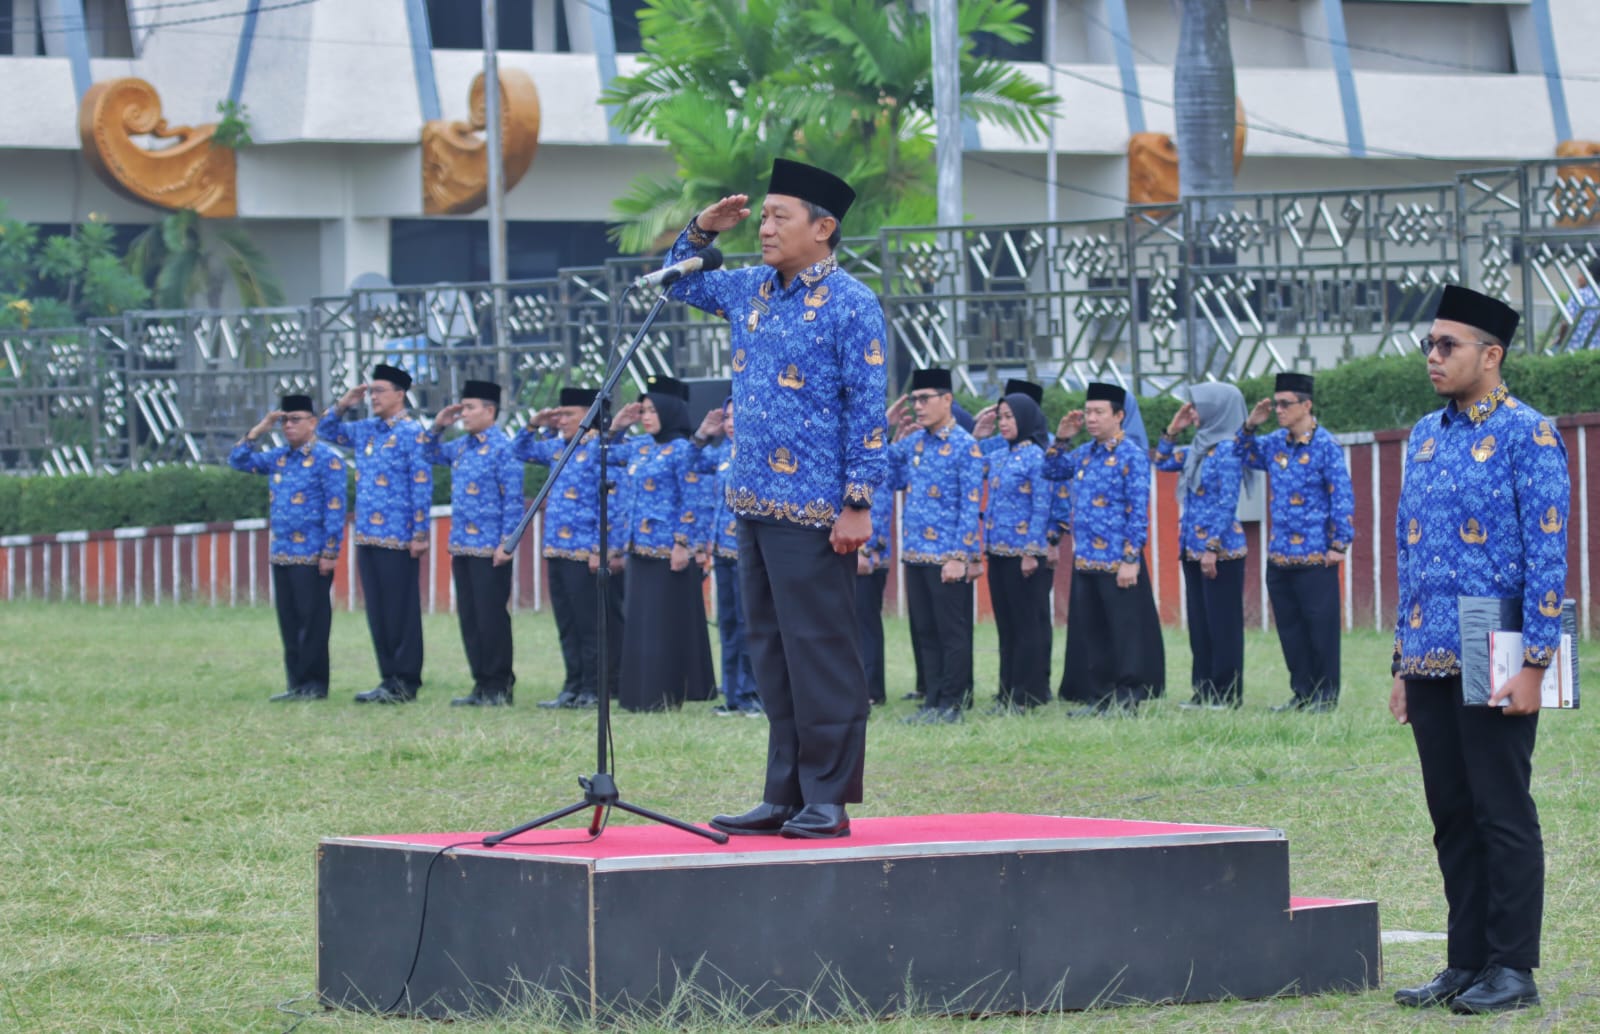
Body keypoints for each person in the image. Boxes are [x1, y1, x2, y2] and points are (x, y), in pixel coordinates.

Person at [669, 158, 887, 840]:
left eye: (778, 217)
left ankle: (828, 796)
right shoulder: (749, 289)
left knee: (820, 652)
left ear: (822, 229)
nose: (763, 227)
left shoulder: (853, 303)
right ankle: (783, 792)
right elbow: (677, 285)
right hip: (753, 502)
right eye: (761, 216)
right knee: (771, 653)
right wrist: (703, 229)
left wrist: (859, 501)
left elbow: (868, 408)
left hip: (819, 511)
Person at [1390, 285, 1568, 1015]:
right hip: (1430, 652)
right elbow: (1409, 553)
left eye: (1447, 346)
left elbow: (1549, 552)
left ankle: (1512, 969)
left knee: (1501, 811)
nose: (1432, 357)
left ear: (1490, 356)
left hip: (1496, 647)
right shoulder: (1425, 437)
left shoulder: (1530, 433)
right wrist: (1401, 664)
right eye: (1428, 345)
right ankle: (1465, 962)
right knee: (1451, 815)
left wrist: (1536, 663)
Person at [1043, 382, 1165, 715]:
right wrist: (1063, 438)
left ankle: (1128, 696)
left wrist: (1130, 558)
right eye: (1088, 412)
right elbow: (1050, 470)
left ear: (1119, 416)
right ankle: (1100, 697)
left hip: (1117, 560)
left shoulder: (1131, 456)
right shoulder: (1084, 454)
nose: (1091, 418)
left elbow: (1138, 511)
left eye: (1099, 412)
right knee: (1093, 632)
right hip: (1087, 560)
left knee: (1124, 632)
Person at [1238, 372, 1356, 712]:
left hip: (1316, 555)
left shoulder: (1326, 447)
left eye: (1285, 404)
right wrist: (1250, 424)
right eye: (1276, 404)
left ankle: (1325, 696)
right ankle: (1302, 692)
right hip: (1280, 556)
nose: (1278, 410)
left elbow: (1342, 497)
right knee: (1290, 630)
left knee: (1321, 629)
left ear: (1307, 405)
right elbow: (1241, 453)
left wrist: (1339, 544)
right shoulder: (1275, 443)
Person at [319, 365, 431, 704]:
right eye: (371, 392)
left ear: (400, 394)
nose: (373, 397)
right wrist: (343, 402)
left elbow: (422, 484)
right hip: (367, 534)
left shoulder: (413, 433)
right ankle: (387, 677)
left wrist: (421, 532)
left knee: (401, 609)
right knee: (378, 611)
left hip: (399, 537)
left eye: (380, 390)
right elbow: (325, 429)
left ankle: (406, 680)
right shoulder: (366, 430)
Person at [228, 394, 347, 701]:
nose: (288, 426)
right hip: (282, 552)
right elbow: (238, 460)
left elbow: (335, 508)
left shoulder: (327, 459)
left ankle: (314, 684)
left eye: (296, 420)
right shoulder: (279, 458)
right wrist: (261, 428)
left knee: (313, 621)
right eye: (284, 421)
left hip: (311, 554)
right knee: (289, 621)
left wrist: (330, 551)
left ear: (313, 422)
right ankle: (296, 683)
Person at [609, 375, 715, 712]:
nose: (646, 416)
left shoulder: (684, 450)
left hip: (668, 551)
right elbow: (603, 457)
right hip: (638, 547)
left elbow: (693, 496)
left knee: (664, 627)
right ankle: (639, 696)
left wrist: (683, 543)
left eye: (653, 410)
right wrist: (618, 427)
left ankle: (666, 696)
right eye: (644, 411)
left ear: (669, 411)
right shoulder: (641, 447)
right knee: (640, 624)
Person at [514, 387, 625, 709]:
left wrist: (600, 549)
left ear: (589, 417)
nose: (561, 420)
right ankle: (572, 684)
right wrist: (534, 424)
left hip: (584, 550)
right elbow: (519, 450)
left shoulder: (601, 449)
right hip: (557, 548)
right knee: (567, 623)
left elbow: (612, 503)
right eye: (559, 414)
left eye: (568, 415)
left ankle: (596, 686)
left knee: (591, 624)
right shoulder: (558, 448)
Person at [886, 368, 985, 724]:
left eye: (925, 398)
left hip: (947, 557)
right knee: (925, 630)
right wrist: (884, 426)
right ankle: (933, 700)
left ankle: (953, 703)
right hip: (915, 555)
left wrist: (960, 556)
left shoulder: (965, 446)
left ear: (947, 400)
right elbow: (882, 466)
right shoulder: (915, 443)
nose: (918, 405)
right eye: (914, 399)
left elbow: (970, 505)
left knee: (951, 632)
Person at [423, 380, 523, 706]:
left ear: (490, 410)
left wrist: (507, 543)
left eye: (470, 408)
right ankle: (480, 683)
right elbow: (427, 452)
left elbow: (513, 501)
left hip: (491, 549)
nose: (464, 414)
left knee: (491, 617)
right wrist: (439, 425)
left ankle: (499, 685)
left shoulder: (504, 448)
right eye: (462, 407)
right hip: (463, 545)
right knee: (470, 618)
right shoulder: (463, 446)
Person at [1155, 383, 1251, 709]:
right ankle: (1204, 690)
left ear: (1217, 409)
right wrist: (1173, 429)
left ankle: (1227, 694)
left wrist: (1212, 547)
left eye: (1196, 406)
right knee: (1200, 624)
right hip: (1192, 548)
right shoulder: (1198, 447)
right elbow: (1161, 461)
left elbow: (1227, 503)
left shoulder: (1228, 449)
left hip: (1220, 551)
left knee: (1222, 625)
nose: (1192, 412)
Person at [973, 382, 1053, 712]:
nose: (1004, 422)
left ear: (1025, 418)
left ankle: (1028, 694)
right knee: (1006, 626)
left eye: (1009, 417)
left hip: (1023, 555)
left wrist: (1032, 551)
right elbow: (971, 462)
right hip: (998, 551)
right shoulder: (1001, 454)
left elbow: (1041, 506)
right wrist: (978, 434)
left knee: (1026, 625)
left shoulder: (1037, 457)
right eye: (1001, 417)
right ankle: (1006, 692)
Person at [693, 399, 762, 717]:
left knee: (752, 623)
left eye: (738, 416)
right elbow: (688, 464)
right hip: (722, 550)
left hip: (749, 552)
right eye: (728, 417)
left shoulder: (761, 452)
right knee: (729, 623)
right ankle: (733, 693)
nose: (732, 422)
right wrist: (702, 435)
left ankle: (755, 692)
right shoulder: (722, 452)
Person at [855, 486, 895, 708]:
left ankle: (871, 689)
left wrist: (867, 550)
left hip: (868, 557)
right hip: (848, 553)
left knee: (865, 625)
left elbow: (880, 504)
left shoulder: (873, 454)